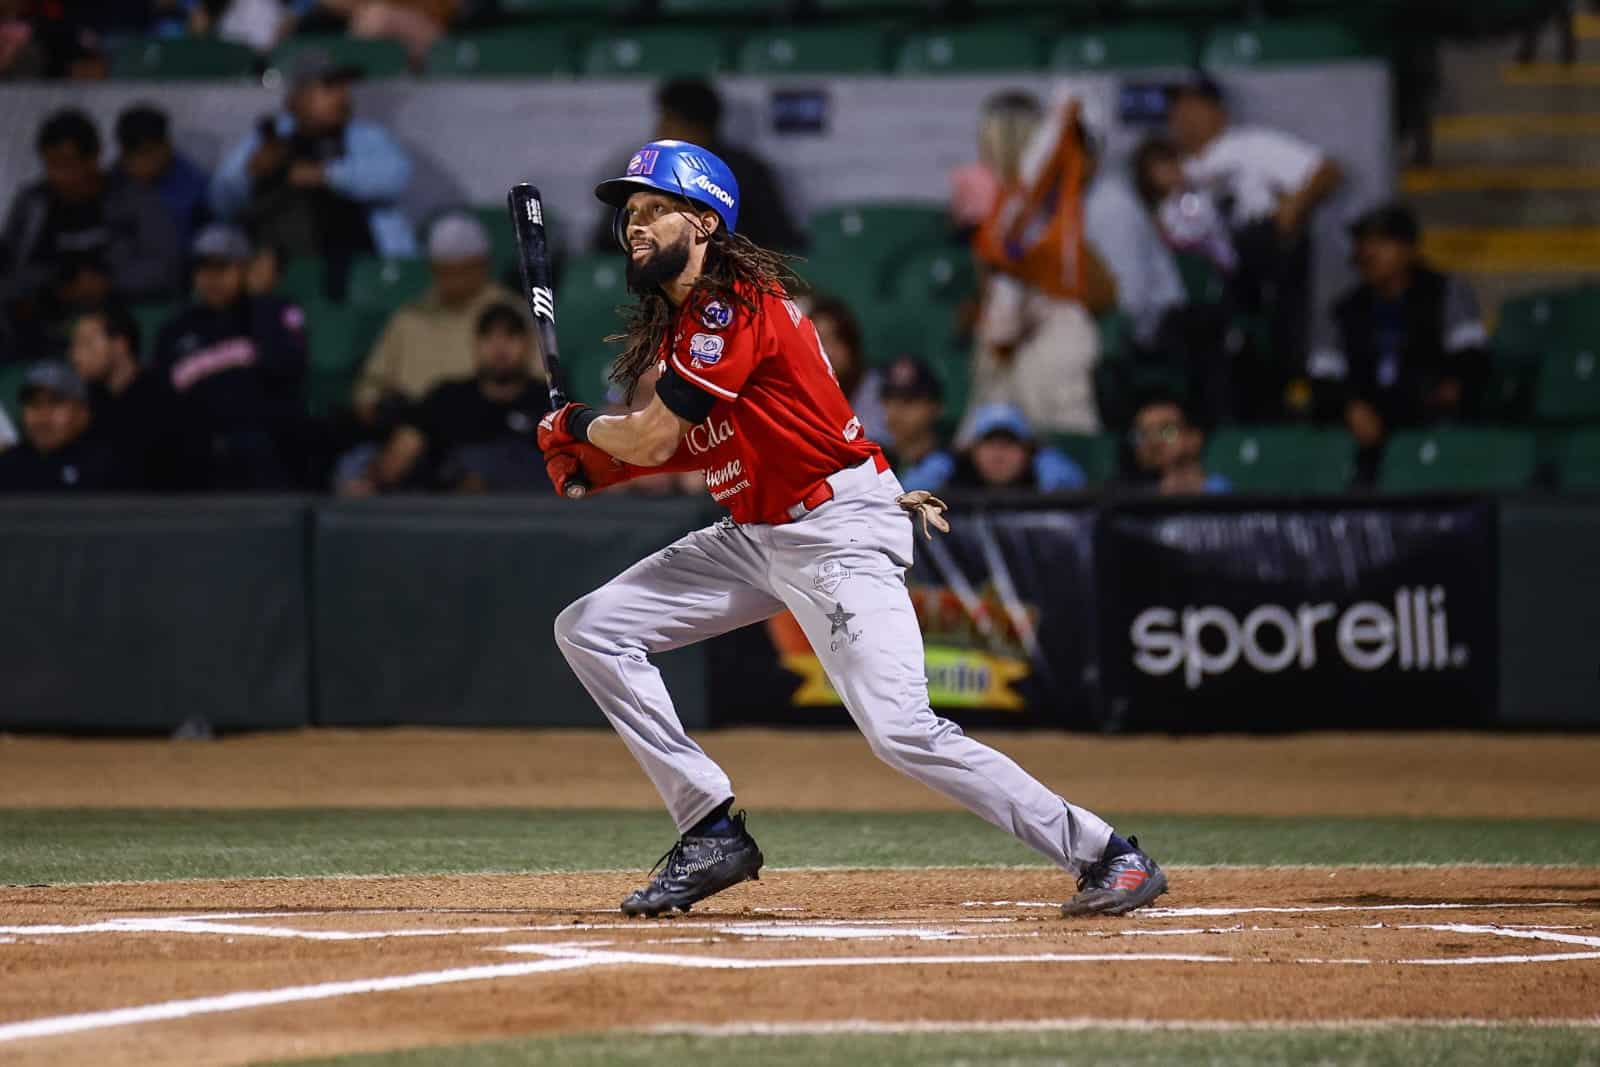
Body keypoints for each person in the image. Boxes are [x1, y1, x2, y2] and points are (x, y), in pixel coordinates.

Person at [537, 139, 1166, 919]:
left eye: (654, 208)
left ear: (704, 221)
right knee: (592, 628)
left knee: (902, 732)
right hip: (756, 532)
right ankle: (708, 826)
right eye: (628, 213)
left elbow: (655, 436)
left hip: (835, 526)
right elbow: (691, 441)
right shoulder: (689, 325)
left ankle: (1107, 850)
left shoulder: (733, 306)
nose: (634, 225)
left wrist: (576, 427)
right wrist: (592, 462)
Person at [1168, 75, 1342, 400]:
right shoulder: (1174, 171)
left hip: (1259, 269)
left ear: (1218, 112)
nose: (1183, 115)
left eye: (1193, 105)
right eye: (1177, 107)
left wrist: (1295, 204)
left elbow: (1327, 172)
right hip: (1206, 284)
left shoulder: (1250, 145)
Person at [967, 94, 1117, 437]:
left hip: (1058, 333)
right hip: (1006, 343)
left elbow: (1108, 295)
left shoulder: (1093, 206)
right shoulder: (1004, 211)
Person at [209, 46, 416, 283]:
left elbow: (396, 179)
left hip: (360, 257)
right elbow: (219, 201)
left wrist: (325, 175)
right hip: (278, 264)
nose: (342, 96)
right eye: (329, 87)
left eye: (344, 86)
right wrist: (250, 174)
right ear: (297, 97)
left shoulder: (365, 136)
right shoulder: (267, 140)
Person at [1324, 203, 1490, 485]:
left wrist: (1434, 394)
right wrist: (1349, 406)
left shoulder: (1445, 292)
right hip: (1365, 433)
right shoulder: (1348, 307)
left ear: (1409, 249)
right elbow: (1324, 374)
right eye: (1363, 243)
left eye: (1380, 242)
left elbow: (1471, 362)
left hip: (1430, 426)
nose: (1368, 253)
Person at [1, 108, 182, 358]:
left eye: (66, 164)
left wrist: (110, 284)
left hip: (121, 320)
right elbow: (9, 271)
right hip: (43, 326)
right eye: (50, 165)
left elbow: (167, 267)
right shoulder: (32, 205)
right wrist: (49, 288)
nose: (58, 176)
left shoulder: (134, 199)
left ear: (94, 158)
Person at [149, 223, 309, 489]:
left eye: (222, 268)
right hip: (195, 457)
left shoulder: (274, 314)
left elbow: (289, 369)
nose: (211, 279)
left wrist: (256, 307)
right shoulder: (175, 331)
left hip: (264, 451)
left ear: (244, 269)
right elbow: (163, 399)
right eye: (204, 269)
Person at [346, 302, 549, 493]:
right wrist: (371, 480)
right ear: (475, 344)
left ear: (528, 345)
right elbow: (400, 456)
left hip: (530, 517)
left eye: (511, 336)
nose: (499, 348)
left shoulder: (549, 400)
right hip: (451, 518)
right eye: (488, 337)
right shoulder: (447, 397)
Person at [352, 212, 530, 427]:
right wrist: (371, 405)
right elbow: (371, 386)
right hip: (408, 428)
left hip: (481, 430)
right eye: (444, 270)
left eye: (462, 270)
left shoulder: (512, 316)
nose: (452, 280)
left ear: (482, 265)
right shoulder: (410, 317)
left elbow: (537, 385)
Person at [589, 78, 805, 254]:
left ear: (697, 127)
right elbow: (608, 241)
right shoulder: (645, 169)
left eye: (669, 122)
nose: (660, 129)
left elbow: (778, 241)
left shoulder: (746, 173)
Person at [68, 303, 193, 490]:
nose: (74, 355)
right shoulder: (87, 405)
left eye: (85, 343)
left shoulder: (164, 403)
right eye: (74, 345)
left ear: (119, 345)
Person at [0, 361, 128, 491]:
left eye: (55, 403)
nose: (43, 417)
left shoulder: (106, 467)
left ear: (83, 413)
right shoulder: (8, 466)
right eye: (34, 404)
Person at [114, 103, 211, 253]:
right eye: (133, 156)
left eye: (147, 153)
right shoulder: (113, 181)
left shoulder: (195, 186)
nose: (141, 164)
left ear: (166, 146)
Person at [946, 403, 1086, 493]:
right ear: (973, 451)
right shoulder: (954, 477)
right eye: (989, 444)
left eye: (1008, 444)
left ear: (1028, 452)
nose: (998, 455)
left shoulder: (1042, 476)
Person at [807, 294, 886, 446]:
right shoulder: (804, 395)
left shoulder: (876, 388)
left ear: (850, 343)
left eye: (835, 339)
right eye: (819, 341)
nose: (828, 351)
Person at [1123, 392, 1231, 496]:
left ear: (1194, 437)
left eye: (1167, 431)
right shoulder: (1128, 499)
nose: (1154, 442)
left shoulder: (1221, 492)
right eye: (1143, 435)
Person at [877, 356, 953, 492]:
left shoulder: (956, 468)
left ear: (936, 407)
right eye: (888, 400)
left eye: (908, 401)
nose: (895, 412)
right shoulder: (874, 461)